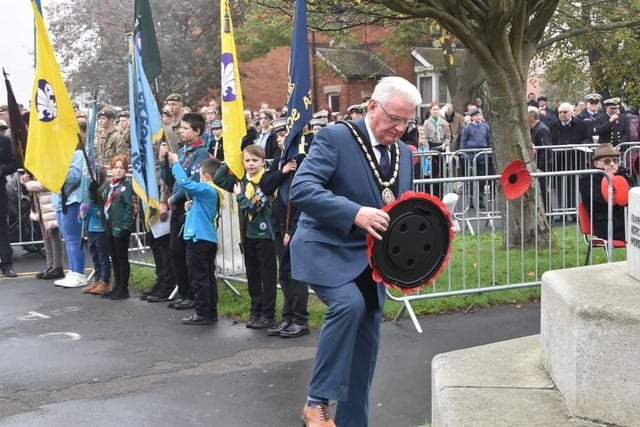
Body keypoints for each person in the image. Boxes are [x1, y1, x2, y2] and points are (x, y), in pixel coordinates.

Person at [290, 76, 421, 427]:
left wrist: (438, 224)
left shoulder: (404, 155)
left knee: (366, 342)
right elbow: (301, 189)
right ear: (372, 107)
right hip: (325, 248)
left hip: (370, 260)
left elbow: (402, 209)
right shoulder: (335, 137)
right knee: (349, 305)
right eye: (394, 118)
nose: (400, 127)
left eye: (407, 120)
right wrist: (354, 212)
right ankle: (316, 403)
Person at [260, 118, 310, 338]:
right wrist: (282, 170)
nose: (281, 140)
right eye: (278, 136)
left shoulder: (304, 160)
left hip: (296, 226)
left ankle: (300, 319)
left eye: (284, 135)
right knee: (285, 275)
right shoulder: (280, 161)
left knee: (297, 274)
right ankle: (287, 316)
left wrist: (293, 230)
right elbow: (265, 184)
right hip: (279, 224)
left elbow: (305, 199)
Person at [159, 112, 211, 310]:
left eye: (185, 128)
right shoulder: (180, 152)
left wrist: (174, 198)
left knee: (189, 253)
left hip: (189, 205)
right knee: (176, 250)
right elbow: (170, 178)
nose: (181, 131)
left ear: (197, 131)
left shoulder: (201, 153)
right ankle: (184, 292)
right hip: (177, 207)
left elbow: (191, 182)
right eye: (180, 128)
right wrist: (165, 161)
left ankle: (194, 295)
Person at [167, 152, 222, 325]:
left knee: (199, 277)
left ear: (206, 177)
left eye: (199, 176)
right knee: (207, 277)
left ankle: (202, 312)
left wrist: (176, 164)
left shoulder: (207, 188)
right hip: (204, 236)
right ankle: (210, 311)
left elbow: (184, 183)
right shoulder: (208, 193)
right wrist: (190, 208)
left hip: (200, 239)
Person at [229, 145, 277, 329]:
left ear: (263, 162)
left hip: (265, 235)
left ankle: (268, 314)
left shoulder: (266, 181)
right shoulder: (243, 181)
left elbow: (252, 208)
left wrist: (240, 197)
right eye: (247, 160)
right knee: (253, 276)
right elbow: (219, 178)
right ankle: (255, 311)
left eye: (254, 160)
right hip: (248, 235)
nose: (250, 164)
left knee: (267, 277)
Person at [97, 155, 138, 300]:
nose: (118, 171)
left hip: (121, 227)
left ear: (126, 170)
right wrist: (92, 188)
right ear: (111, 169)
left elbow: (131, 207)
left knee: (122, 258)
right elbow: (98, 195)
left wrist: (127, 225)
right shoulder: (109, 185)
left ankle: (123, 288)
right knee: (113, 257)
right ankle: (116, 285)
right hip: (110, 226)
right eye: (115, 168)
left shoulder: (126, 187)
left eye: (121, 168)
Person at [579, 143, 632, 241]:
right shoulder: (588, 179)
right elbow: (602, 199)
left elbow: (631, 197)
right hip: (606, 224)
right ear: (596, 164)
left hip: (627, 221)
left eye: (615, 161)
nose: (612, 164)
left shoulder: (623, 175)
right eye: (607, 161)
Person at [53, 145, 87, 288]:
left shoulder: (78, 154)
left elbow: (74, 175)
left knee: (74, 239)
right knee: (67, 239)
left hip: (72, 199)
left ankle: (79, 273)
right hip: (60, 200)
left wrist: (58, 168)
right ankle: (73, 271)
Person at [20, 173, 65, 280]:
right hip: (41, 205)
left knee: (53, 235)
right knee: (46, 236)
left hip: (49, 204)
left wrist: (28, 183)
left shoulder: (48, 166)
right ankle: (50, 265)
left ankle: (58, 266)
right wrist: (26, 181)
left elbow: (45, 184)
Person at [80, 166, 111, 295]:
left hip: (100, 228)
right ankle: (97, 278)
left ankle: (105, 280)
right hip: (90, 228)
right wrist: (83, 211)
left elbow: (102, 212)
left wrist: (92, 206)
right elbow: (84, 213)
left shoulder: (103, 191)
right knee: (94, 255)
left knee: (103, 256)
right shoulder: (88, 194)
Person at [0, 133, 19, 277]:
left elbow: (14, 164)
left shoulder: (5, 142)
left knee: (2, 231)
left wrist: (1, 169)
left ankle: (6, 265)